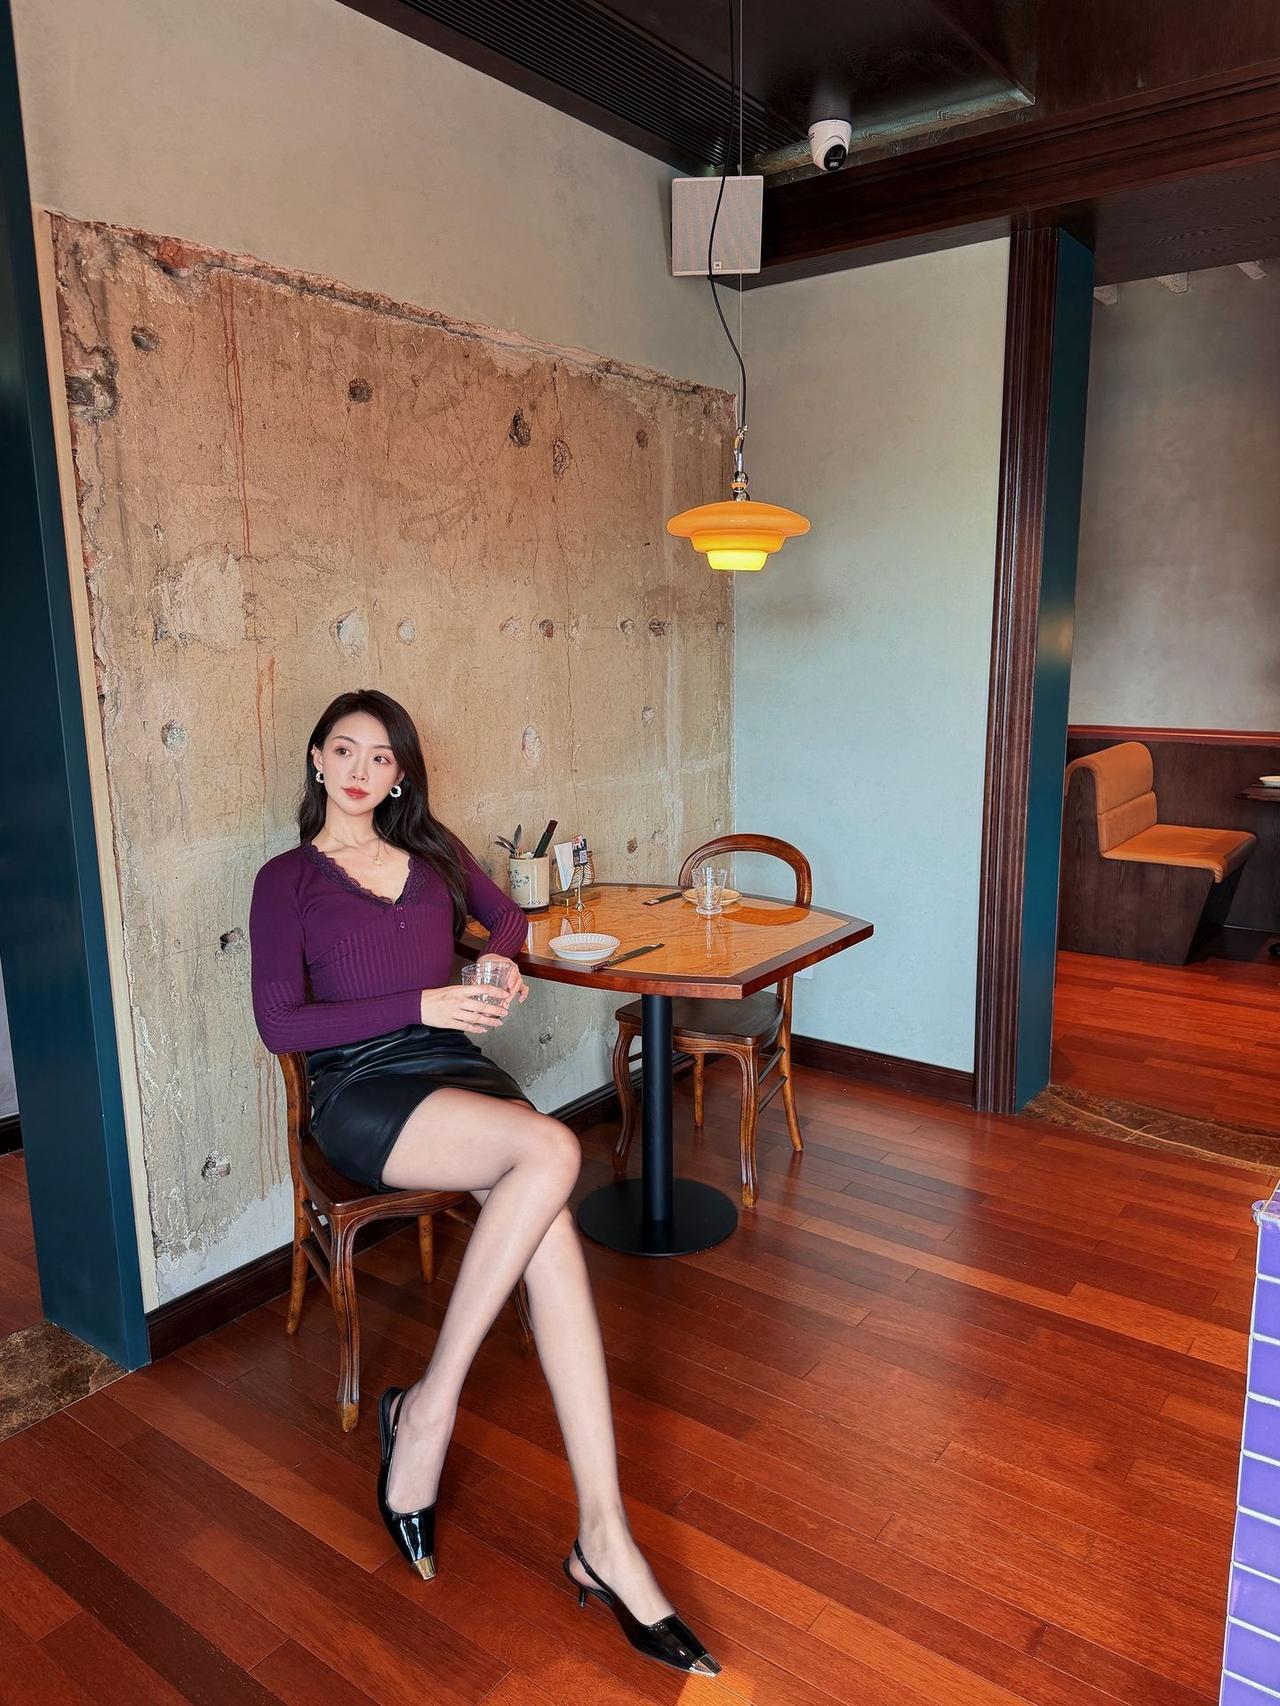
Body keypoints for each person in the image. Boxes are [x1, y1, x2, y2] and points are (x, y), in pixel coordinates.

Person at [248, 689, 719, 1678]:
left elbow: (506, 920)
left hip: (456, 1073)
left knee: (546, 1209)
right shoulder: (284, 879)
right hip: (363, 1090)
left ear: (401, 775)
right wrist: (422, 1000)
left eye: (382, 757)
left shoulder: (432, 852)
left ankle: (602, 1531)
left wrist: (500, 968)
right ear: (317, 757)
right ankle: (430, 1413)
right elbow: (281, 1023)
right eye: (345, 750)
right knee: (549, 1154)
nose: (361, 771)